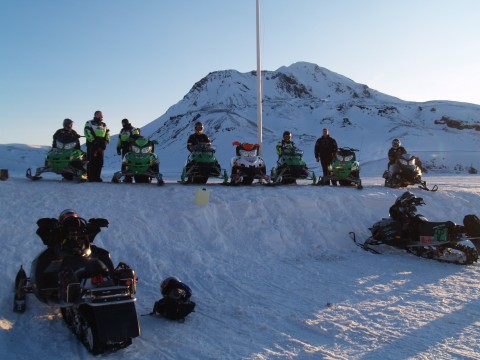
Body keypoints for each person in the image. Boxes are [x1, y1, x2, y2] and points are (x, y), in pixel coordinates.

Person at [84, 110, 110, 182]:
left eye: (102, 115)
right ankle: (91, 177)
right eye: (100, 115)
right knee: (92, 161)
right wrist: (93, 141)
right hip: (92, 145)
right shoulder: (89, 122)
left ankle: (97, 177)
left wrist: (106, 141)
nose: (102, 116)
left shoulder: (104, 124)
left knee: (100, 162)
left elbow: (108, 132)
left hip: (101, 145)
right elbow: (86, 131)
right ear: (96, 115)